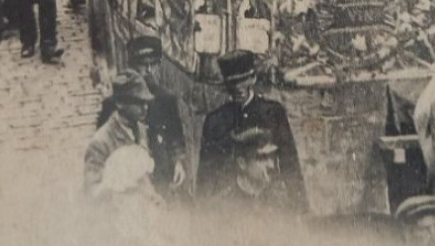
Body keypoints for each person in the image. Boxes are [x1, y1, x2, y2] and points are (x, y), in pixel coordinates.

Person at [197, 50, 305, 211]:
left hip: (267, 201)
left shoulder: (273, 112)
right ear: (226, 85)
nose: (238, 88)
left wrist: (300, 205)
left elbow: (289, 161)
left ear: (253, 78)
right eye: (232, 83)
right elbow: (206, 171)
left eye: (243, 81)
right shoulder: (215, 121)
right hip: (228, 205)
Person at [92, 35, 189, 193]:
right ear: (132, 66)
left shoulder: (166, 99)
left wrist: (178, 162)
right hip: (125, 175)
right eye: (143, 66)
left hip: (158, 170)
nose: (149, 71)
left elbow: (175, 135)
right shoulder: (113, 103)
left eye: (153, 65)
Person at [83, 71, 184, 195]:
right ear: (120, 104)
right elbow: (91, 192)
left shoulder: (142, 129)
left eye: (146, 102)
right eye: (139, 102)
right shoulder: (100, 143)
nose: (145, 108)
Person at [220, 127, 302, 214]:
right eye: (262, 158)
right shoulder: (224, 206)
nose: (272, 165)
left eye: (274, 156)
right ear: (242, 163)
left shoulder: (284, 201)